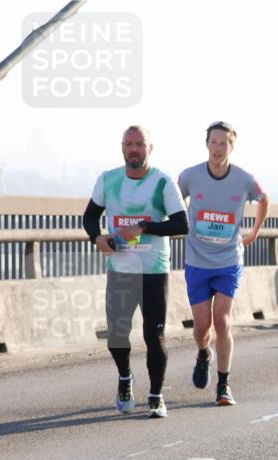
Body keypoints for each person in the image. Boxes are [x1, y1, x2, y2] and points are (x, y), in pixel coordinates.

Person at [81, 125, 188, 418]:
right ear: (122, 148)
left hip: (153, 270)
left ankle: (156, 396)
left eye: (140, 144)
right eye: (129, 144)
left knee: (155, 336)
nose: (134, 149)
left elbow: (182, 224)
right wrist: (97, 238)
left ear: (150, 148)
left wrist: (144, 226)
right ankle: (125, 377)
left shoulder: (163, 182)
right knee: (117, 336)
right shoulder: (108, 180)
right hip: (120, 269)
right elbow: (90, 216)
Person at [178, 121, 269, 406]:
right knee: (202, 327)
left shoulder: (244, 179)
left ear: (232, 147)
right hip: (197, 260)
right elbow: (173, 200)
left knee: (222, 321)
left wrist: (255, 231)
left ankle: (223, 385)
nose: (218, 148)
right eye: (214, 142)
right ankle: (203, 352)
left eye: (224, 143)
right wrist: (183, 219)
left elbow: (264, 198)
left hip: (229, 259)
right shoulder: (190, 176)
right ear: (206, 144)